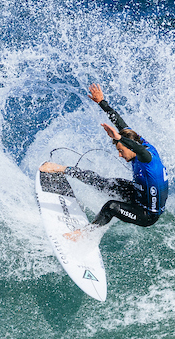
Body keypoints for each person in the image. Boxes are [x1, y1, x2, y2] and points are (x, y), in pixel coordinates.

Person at [39, 84, 167, 240]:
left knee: (111, 206)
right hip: (137, 194)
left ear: (131, 147)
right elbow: (121, 123)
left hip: (146, 214)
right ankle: (63, 169)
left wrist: (119, 139)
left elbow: (140, 152)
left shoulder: (148, 158)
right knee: (105, 182)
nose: (120, 155)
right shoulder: (138, 140)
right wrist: (102, 103)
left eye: (121, 151)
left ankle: (82, 235)